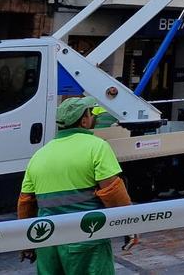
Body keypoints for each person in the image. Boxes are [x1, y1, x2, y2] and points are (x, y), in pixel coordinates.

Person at [18, 96, 132, 274]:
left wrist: (28, 243)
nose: (93, 117)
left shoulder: (39, 155)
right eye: (90, 114)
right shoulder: (97, 147)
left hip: (48, 244)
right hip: (87, 239)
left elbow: (26, 203)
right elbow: (113, 192)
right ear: (84, 121)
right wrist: (131, 226)